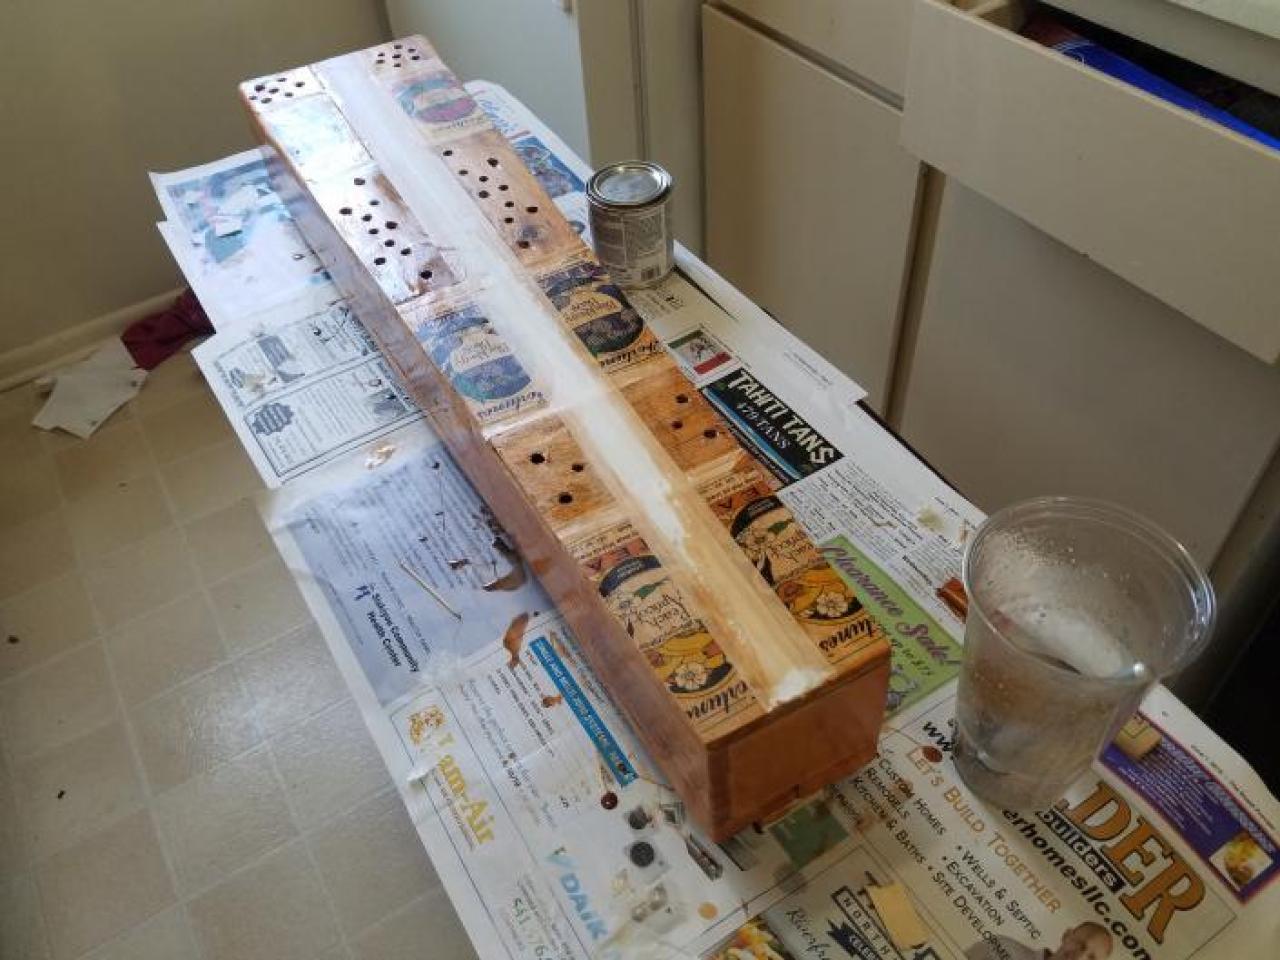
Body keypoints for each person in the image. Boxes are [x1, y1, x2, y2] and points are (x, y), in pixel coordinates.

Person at [964, 921, 1113, 960]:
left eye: (1091, 958)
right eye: (1080, 945)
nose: (1079, 957)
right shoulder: (1001, 946)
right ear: (1067, 935)